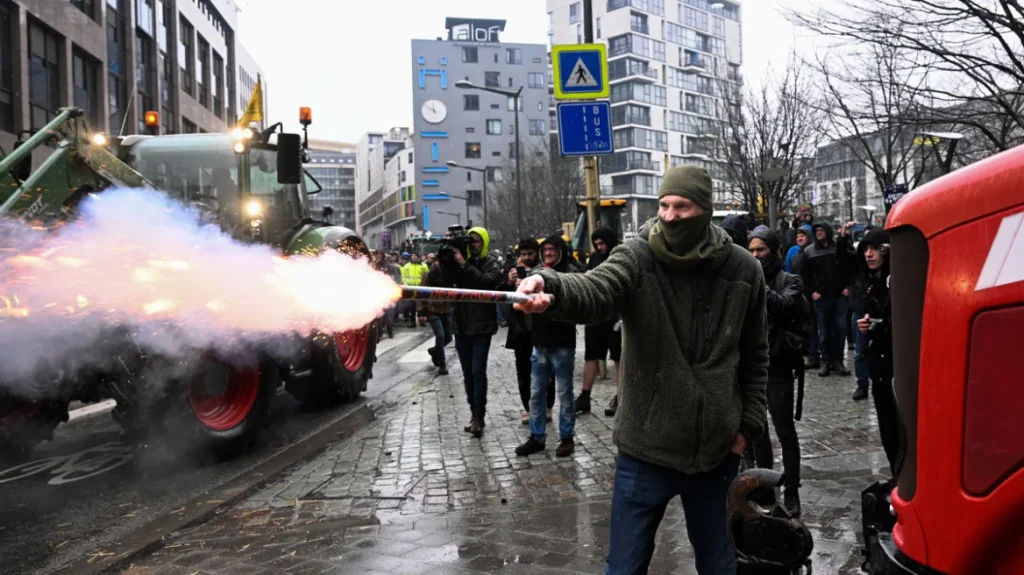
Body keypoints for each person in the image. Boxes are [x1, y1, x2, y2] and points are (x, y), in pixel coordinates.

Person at [515, 165, 768, 575]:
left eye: (682, 207)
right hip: (645, 450)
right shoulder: (637, 256)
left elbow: (756, 354)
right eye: (664, 205)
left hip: (716, 451)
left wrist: (748, 425)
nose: (670, 216)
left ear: (704, 210)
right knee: (625, 567)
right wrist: (550, 285)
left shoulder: (743, 269)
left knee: (719, 564)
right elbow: (596, 288)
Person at [747, 229, 808, 516]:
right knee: (758, 433)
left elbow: (785, 306)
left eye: (761, 250)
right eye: (752, 251)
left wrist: (759, 283)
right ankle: (765, 488)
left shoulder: (790, 280)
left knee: (785, 432)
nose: (755, 256)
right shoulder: (747, 281)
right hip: (753, 368)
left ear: (773, 250)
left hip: (779, 367)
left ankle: (791, 489)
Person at [514, 233, 582, 458]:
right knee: (536, 393)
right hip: (539, 342)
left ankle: (567, 437)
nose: (549, 253)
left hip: (563, 342)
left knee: (564, 393)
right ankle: (537, 437)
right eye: (546, 250)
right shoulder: (536, 274)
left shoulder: (572, 273)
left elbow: (577, 301)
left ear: (561, 251)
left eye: (553, 249)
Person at [854, 232, 901, 478]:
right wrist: (868, 324)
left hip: (898, 362)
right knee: (887, 427)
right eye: (865, 250)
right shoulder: (868, 281)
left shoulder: (898, 279)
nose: (868, 255)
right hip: (879, 362)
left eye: (874, 249)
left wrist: (881, 326)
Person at [450, 227, 501, 438]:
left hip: (481, 326)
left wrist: (464, 264)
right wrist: (447, 261)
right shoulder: (460, 263)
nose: (473, 245)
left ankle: (480, 415)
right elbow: (443, 282)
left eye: (476, 241)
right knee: (467, 374)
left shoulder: (491, 262)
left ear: (484, 242)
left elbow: (486, 282)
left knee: (478, 371)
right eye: (469, 242)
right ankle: (473, 414)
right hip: (461, 325)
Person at [503, 239, 555, 425]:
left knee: (546, 370)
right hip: (521, 330)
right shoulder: (512, 271)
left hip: (542, 329)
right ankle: (528, 408)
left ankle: (547, 406)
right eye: (523, 254)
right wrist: (510, 283)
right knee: (523, 372)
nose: (526, 258)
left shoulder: (546, 271)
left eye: (530, 254)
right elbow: (504, 300)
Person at [575, 226, 622, 417]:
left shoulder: (620, 255)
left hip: (615, 315)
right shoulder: (594, 257)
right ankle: (585, 396)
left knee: (619, 357)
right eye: (597, 244)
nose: (599, 247)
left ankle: (621, 397)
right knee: (591, 355)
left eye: (602, 243)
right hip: (596, 315)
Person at [801, 221, 856, 377]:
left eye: (821, 230)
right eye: (816, 230)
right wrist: (812, 292)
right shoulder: (809, 251)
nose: (819, 232)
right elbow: (805, 274)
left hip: (839, 295)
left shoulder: (838, 248)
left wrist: (848, 287)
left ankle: (837, 360)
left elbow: (850, 266)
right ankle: (825, 360)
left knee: (840, 330)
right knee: (823, 331)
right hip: (821, 296)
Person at [419, 259, 453, 376]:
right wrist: (421, 312)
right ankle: (442, 364)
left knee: (448, 337)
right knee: (440, 335)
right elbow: (420, 293)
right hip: (432, 309)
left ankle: (435, 350)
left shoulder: (448, 274)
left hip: (446, 309)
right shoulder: (428, 275)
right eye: (438, 261)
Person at [373, 249, 401, 340]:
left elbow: (397, 279)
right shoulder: (373, 266)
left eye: (380, 255)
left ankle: (390, 331)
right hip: (377, 296)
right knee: (378, 318)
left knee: (389, 318)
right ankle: (379, 333)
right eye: (377, 255)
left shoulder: (390, 267)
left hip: (389, 295)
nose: (378, 256)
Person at [400, 253, 429, 327]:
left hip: (421, 287)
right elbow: (403, 277)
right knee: (411, 306)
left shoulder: (424, 266)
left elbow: (427, 275)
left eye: (415, 256)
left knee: (420, 305)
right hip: (410, 288)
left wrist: (423, 284)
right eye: (412, 256)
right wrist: (406, 284)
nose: (414, 257)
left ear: (418, 257)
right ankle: (412, 322)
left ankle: (421, 321)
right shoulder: (407, 266)